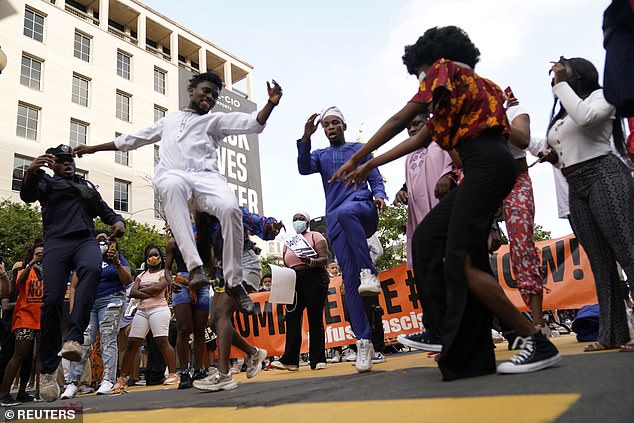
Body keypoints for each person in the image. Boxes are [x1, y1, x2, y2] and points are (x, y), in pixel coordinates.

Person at [331, 26, 560, 379]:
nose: (421, 79)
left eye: (419, 71)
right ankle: (444, 332)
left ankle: (533, 338)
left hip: (485, 164)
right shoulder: (464, 91)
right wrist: (371, 164)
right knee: (425, 239)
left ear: (433, 59)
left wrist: (357, 156)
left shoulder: (446, 71)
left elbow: (400, 120)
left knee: (463, 261)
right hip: (486, 165)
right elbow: (420, 137)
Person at [74, 72, 283, 315]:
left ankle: (234, 282)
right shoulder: (169, 120)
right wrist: (92, 148)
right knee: (171, 186)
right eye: (206, 91)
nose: (210, 97)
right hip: (174, 175)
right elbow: (132, 139)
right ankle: (195, 268)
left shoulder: (214, 121)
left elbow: (253, 123)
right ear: (192, 90)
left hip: (206, 178)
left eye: (215, 95)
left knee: (230, 208)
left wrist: (271, 104)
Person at [538, 56, 634, 352]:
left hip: (604, 176)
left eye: (564, 69)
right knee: (600, 263)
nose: (556, 73)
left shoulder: (602, 97)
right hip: (575, 184)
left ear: (579, 74)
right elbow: (558, 144)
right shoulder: (565, 111)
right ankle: (612, 333)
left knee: (627, 251)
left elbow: (587, 118)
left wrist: (561, 86)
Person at [20, 144, 125, 401]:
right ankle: (47, 371)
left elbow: (104, 210)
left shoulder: (86, 186)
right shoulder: (44, 181)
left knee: (91, 268)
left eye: (70, 160)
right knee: (52, 300)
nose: (68, 163)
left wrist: (117, 221)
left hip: (85, 241)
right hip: (56, 242)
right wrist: (30, 172)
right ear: (52, 164)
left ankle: (74, 340)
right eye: (62, 160)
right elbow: (27, 196)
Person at [297, 106, 388, 373]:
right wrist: (305, 137)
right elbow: (303, 168)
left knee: (347, 211)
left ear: (344, 126)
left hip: (362, 210)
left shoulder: (359, 149)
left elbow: (375, 175)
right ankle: (363, 341)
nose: (330, 128)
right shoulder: (321, 155)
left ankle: (368, 272)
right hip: (337, 222)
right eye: (326, 125)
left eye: (335, 123)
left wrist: (380, 194)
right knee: (350, 283)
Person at [61, 230, 132, 398]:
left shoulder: (117, 258)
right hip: (88, 302)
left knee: (108, 339)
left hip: (111, 299)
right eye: (98, 239)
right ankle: (72, 383)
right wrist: (73, 307)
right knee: (84, 341)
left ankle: (107, 380)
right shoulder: (85, 259)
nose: (102, 242)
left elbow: (127, 280)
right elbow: (75, 284)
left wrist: (116, 263)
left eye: (105, 240)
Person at [501, 94, 549, 333]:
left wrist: (496, 117)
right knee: (473, 248)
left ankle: (538, 322)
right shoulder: (471, 117)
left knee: (522, 246)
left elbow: (522, 139)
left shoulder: (513, 112)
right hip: (483, 182)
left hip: (516, 182)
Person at [271, 211, 329, 371]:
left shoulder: (315, 236)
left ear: (307, 221)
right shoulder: (288, 242)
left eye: (301, 219)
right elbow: (287, 262)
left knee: (314, 318)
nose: (298, 221)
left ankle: (318, 359)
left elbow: (325, 258)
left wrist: (311, 261)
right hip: (294, 280)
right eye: (295, 219)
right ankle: (290, 360)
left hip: (314, 277)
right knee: (292, 318)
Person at [115, 246, 178, 391]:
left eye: (156, 255)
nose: (152, 258)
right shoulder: (141, 275)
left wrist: (141, 292)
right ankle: (122, 377)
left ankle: (173, 373)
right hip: (142, 310)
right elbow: (132, 292)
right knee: (132, 343)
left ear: (161, 258)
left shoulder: (164, 273)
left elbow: (159, 288)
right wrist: (149, 292)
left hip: (159, 309)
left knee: (162, 341)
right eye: (150, 255)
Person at [164, 233, 211, 389]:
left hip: (202, 282)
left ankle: (199, 370)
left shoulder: (204, 238)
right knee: (183, 329)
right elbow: (167, 269)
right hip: (181, 283)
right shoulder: (172, 243)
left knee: (200, 329)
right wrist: (170, 281)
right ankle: (184, 372)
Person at [0, 241, 43, 406]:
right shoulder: (24, 269)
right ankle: (4, 395)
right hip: (25, 318)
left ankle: (33, 392)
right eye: (38, 253)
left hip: (43, 319)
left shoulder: (50, 270)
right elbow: (18, 284)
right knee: (19, 355)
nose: (41, 255)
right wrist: (31, 264)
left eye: (43, 253)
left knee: (38, 357)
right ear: (32, 254)